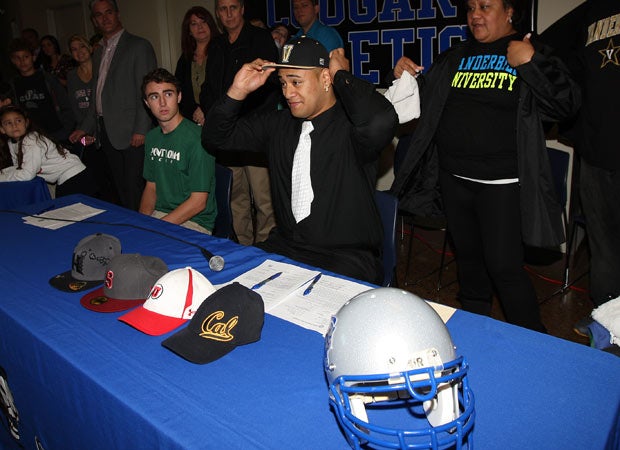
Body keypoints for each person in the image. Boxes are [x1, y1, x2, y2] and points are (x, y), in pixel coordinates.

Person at [390, 0, 580, 332]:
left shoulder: (529, 48)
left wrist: (530, 62)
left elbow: (566, 104)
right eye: (470, 8)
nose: (475, 14)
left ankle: (535, 342)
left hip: (501, 184)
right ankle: (477, 330)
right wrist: (406, 76)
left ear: (510, 11)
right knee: (468, 262)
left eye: (485, 6)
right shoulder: (457, 54)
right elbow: (427, 100)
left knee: (504, 268)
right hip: (454, 178)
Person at [203, 37, 398, 283]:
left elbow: (382, 121)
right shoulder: (279, 125)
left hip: (345, 257)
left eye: (296, 82)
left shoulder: (352, 126)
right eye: (283, 82)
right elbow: (215, 138)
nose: (287, 92)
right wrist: (238, 90)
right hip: (287, 246)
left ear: (325, 79)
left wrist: (341, 76)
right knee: (231, 284)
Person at [539, 0, 620, 337]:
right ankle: (606, 318)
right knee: (604, 249)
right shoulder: (593, 9)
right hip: (598, 154)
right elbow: (544, 44)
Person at [201, 0, 278, 245]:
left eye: (233, 7)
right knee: (236, 198)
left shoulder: (260, 38)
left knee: (264, 199)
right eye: (223, 9)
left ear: (243, 9)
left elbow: (272, 85)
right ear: (217, 13)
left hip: (253, 132)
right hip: (226, 134)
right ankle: (244, 247)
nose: (229, 14)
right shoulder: (217, 45)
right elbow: (210, 87)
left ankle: (266, 250)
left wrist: (252, 123)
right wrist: (212, 113)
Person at [69, 0, 157, 211]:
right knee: (121, 190)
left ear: (118, 14)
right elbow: (97, 95)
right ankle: (131, 231)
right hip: (106, 132)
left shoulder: (138, 46)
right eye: (99, 15)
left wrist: (141, 129)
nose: (105, 18)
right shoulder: (98, 51)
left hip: (132, 132)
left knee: (136, 188)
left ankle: (145, 235)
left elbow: (148, 89)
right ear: (94, 20)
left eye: (109, 12)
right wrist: (85, 126)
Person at [139, 68, 217, 234]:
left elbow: (198, 202)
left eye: (168, 94)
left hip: (194, 221)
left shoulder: (197, 140)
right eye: (154, 97)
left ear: (179, 96)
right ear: (147, 103)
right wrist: (143, 222)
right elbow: (151, 187)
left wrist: (156, 227)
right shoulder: (152, 137)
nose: (162, 103)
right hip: (161, 216)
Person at [0, 105, 97, 197]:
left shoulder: (31, 139)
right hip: (66, 179)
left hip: (75, 177)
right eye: (8, 123)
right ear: (2, 129)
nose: (14, 125)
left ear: (26, 123)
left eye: (18, 120)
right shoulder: (12, 143)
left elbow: (26, 174)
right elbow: (19, 168)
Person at [66, 34, 113, 200]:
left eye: (82, 47)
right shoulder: (71, 76)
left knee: (112, 173)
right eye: (74, 49)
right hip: (84, 133)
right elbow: (74, 107)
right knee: (95, 173)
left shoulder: (102, 70)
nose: (79, 52)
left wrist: (93, 131)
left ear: (90, 48)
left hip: (105, 128)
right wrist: (85, 132)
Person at [8, 38, 75, 145]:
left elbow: (65, 104)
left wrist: (66, 129)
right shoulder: (13, 84)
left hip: (56, 133)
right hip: (30, 136)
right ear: (13, 61)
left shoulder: (48, 78)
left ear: (33, 57)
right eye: (17, 58)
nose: (22, 61)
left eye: (26, 57)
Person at [174, 6, 220, 125]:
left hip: (218, 116)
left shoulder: (223, 52)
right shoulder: (184, 59)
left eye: (203, 21)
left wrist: (205, 108)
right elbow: (178, 91)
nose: (200, 27)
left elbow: (226, 87)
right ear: (189, 31)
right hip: (191, 120)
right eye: (194, 24)